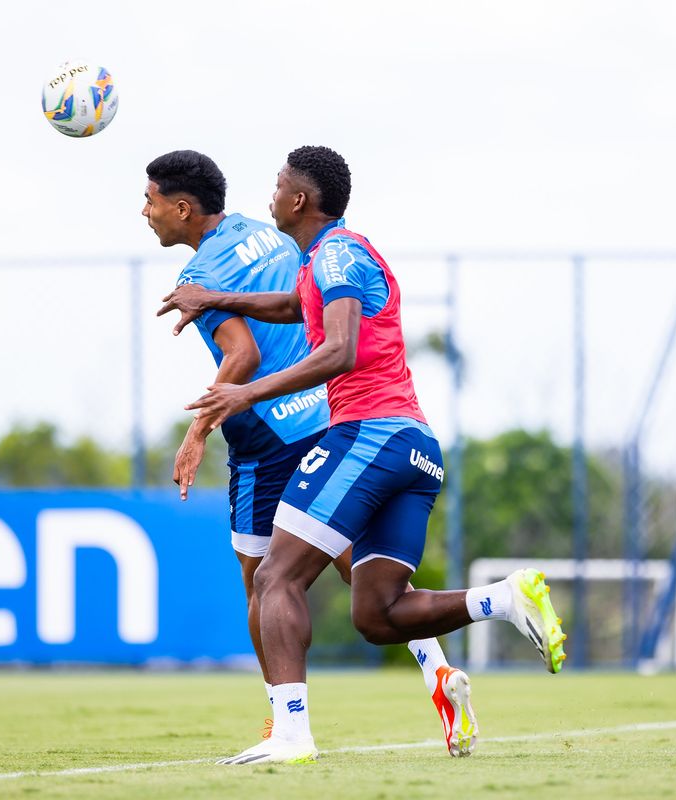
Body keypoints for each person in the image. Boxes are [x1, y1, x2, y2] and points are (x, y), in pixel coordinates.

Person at [159, 146, 567, 765]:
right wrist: (219, 299)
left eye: (277, 186)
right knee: (378, 613)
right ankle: (505, 599)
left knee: (273, 577)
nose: (268, 196)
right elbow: (293, 307)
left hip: (368, 435)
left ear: (299, 200)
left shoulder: (340, 254)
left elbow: (340, 350)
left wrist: (244, 392)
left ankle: (290, 734)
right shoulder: (318, 259)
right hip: (412, 448)